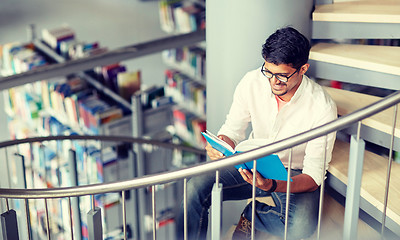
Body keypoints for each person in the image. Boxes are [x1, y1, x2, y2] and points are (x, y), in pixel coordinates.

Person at [176, 26, 337, 240]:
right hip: (253, 163)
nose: (273, 82)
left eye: (282, 76)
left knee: (300, 227)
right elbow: (232, 130)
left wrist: (271, 185)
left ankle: (253, 216)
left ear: (303, 69)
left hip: (294, 172)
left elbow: (314, 177)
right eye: (268, 72)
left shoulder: (322, 107)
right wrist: (221, 144)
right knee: (194, 187)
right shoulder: (251, 82)